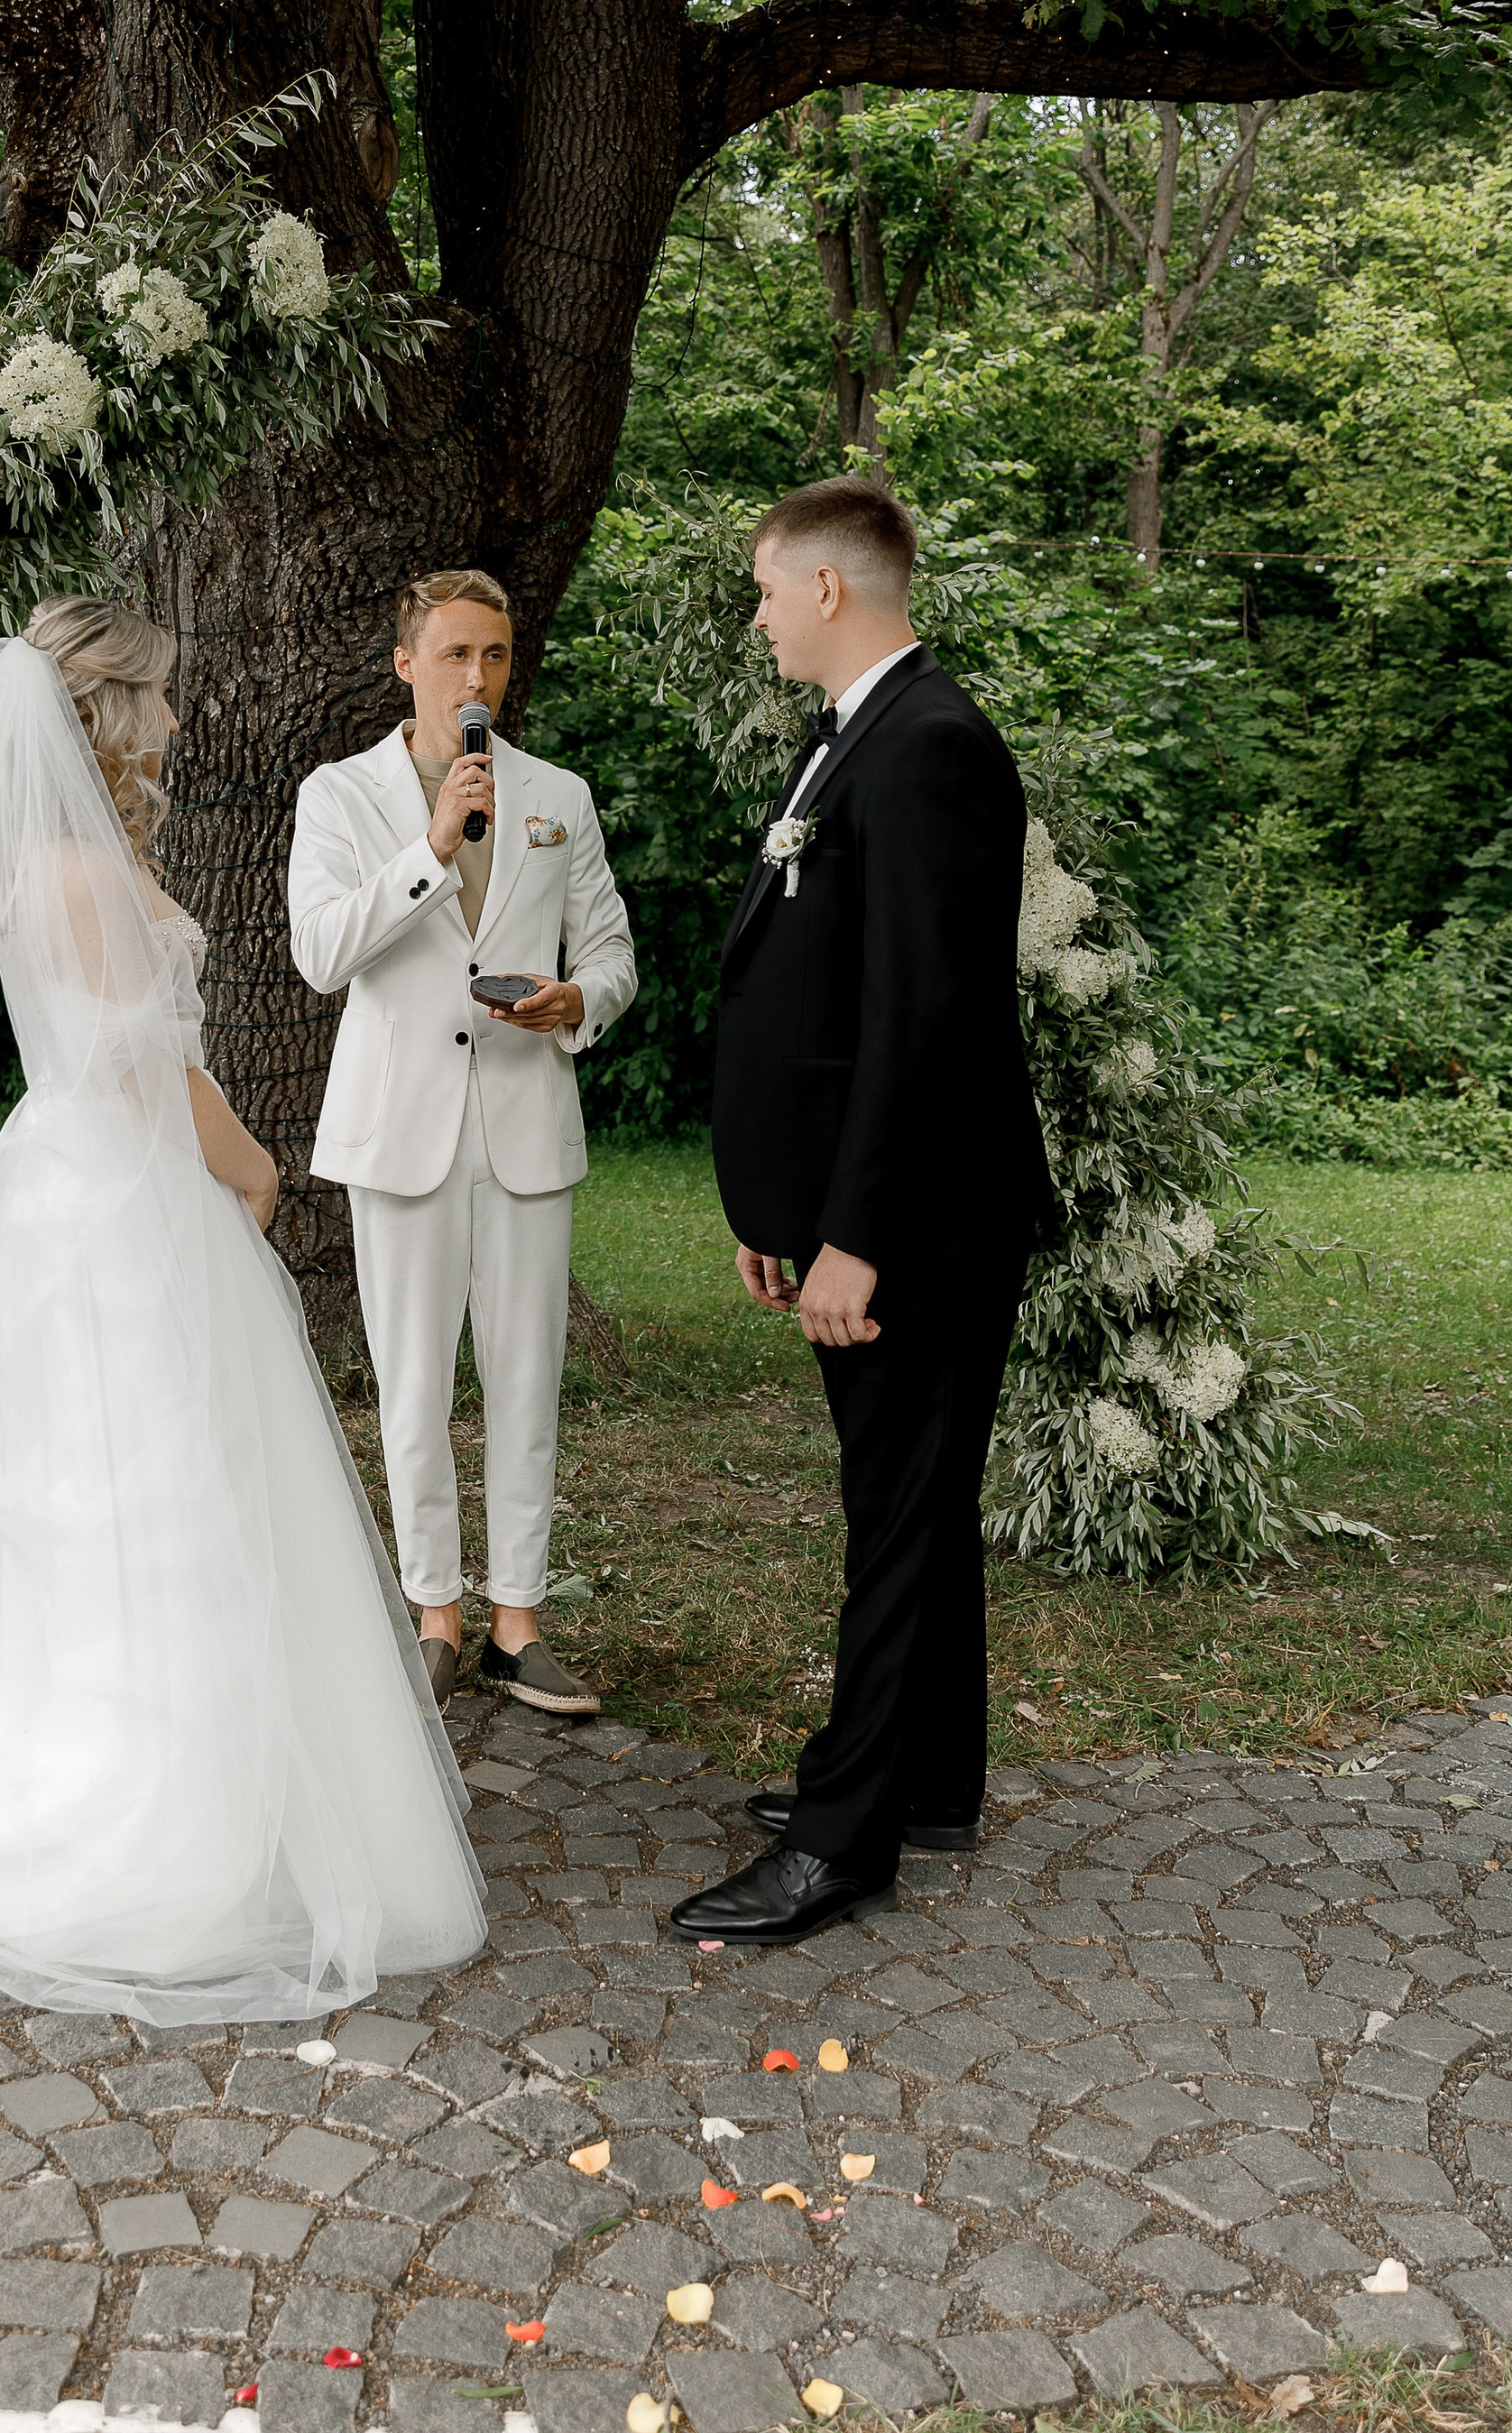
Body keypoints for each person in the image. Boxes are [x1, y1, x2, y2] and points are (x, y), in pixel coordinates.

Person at [0, 601, 486, 2023]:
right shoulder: (78, 872)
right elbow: (137, 1067)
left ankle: (202, 1773)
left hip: (79, 1180)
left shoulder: (62, 856)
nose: (178, 724)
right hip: (127, 1191)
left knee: (138, 1476)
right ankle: (166, 1813)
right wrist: (252, 1170)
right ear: (108, 711)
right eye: (162, 701)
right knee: (160, 1480)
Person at [675, 481, 1050, 1948]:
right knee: (916, 1505)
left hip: (920, 1227)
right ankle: (929, 1780)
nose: (760, 611)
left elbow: (926, 1023)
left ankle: (844, 1839)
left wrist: (859, 1236)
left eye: (768, 587)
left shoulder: (929, 749)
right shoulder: (868, 739)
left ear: (831, 589)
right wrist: (789, 1201)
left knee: (893, 1520)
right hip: (868, 1209)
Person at [289, 567, 637, 1719]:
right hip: (402, 1132)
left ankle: (517, 1622)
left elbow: (615, 954)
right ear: (405, 664)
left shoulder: (559, 795)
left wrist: (576, 1002)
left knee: (528, 1379)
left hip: (527, 1120)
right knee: (413, 1385)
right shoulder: (340, 796)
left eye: (492, 654)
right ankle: (433, 1611)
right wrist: (432, 845)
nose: (476, 677)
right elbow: (323, 953)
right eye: (452, 655)